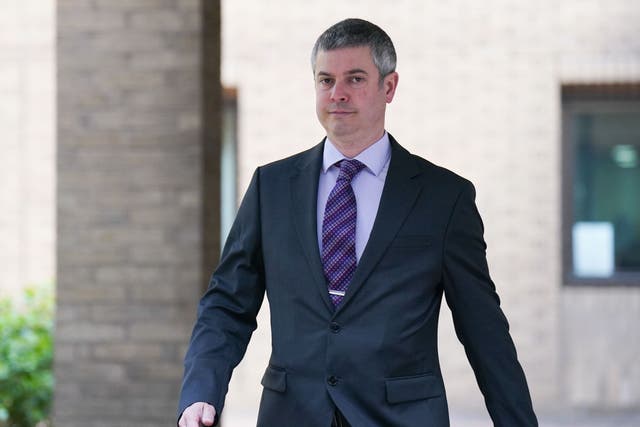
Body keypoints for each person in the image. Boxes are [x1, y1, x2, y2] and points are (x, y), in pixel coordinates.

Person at [178, 18, 538, 427]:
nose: (338, 94)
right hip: (292, 415)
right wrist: (200, 392)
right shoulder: (271, 187)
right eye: (325, 80)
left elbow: (483, 328)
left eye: (355, 79)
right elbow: (227, 303)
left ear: (389, 87)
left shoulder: (445, 198)